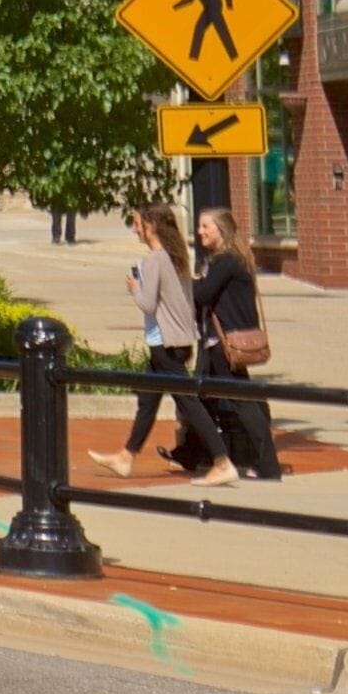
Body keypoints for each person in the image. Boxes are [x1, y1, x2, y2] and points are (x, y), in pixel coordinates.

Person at [93, 206, 237, 486]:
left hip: (165, 343)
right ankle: (126, 456)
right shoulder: (177, 257)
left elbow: (147, 304)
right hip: (178, 340)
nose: (135, 229)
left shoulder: (155, 260)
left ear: (151, 226)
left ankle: (222, 461)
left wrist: (135, 287)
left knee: (187, 401)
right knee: (148, 400)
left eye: (137, 223)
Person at [184, 207, 283, 480]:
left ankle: (268, 464)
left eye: (206, 226)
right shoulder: (230, 259)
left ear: (222, 230)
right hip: (221, 339)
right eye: (200, 226)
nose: (201, 232)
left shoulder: (226, 260)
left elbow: (203, 294)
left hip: (226, 341)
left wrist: (186, 282)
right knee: (202, 394)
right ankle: (192, 452)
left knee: (241, 401)